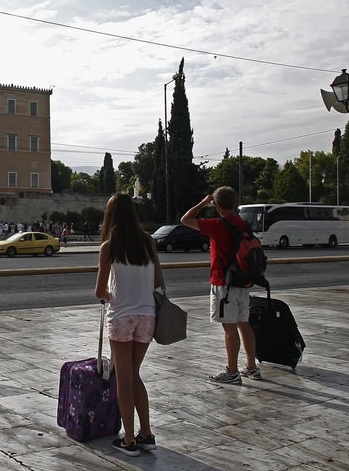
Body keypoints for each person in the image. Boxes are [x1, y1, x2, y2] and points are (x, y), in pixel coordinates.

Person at [94, 193, 162, 456]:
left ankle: (129, 439)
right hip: (148, 317)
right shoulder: (148, 242)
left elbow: (100, 290)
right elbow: (156, 281)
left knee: (123, 379)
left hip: (122, 317)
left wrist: (112, 293)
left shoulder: (109, 246)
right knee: (135, 375)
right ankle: (146, 433)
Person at [181, 186, 260, 384]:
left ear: (217, 205)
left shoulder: (218, 224)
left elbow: (185, 220)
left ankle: (232, 371)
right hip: (243, 281)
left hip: (224, 283)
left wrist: (202, 203)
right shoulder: (244, 224)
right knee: (244, 324)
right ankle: (252, 367)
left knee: (229, 329)